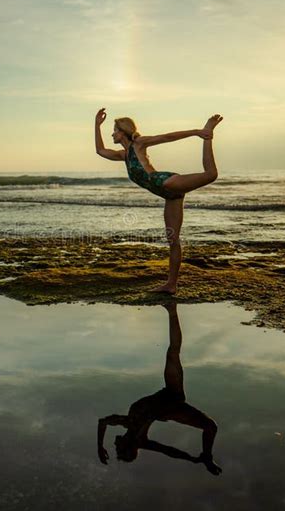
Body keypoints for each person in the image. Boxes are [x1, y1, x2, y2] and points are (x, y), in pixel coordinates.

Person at [94, 108, 223, 294]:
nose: (112, 133)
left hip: (165, 181)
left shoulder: (138, 143)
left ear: (123, 131)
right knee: (173, 239)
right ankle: (171, 285)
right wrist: (97, 125)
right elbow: (100, 150)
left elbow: (167, 137)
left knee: (211, 174)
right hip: (169, 196)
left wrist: (197, 132)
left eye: (114, 130)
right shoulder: (124, 156)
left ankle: (208, 135)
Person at [97, 302, 222, 476]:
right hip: (173, 406)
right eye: (130, 450)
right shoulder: (141, 440)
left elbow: (102, 422)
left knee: (173, 352)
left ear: (124, 444)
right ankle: (207, 457)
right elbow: (167, 451)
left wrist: (99, 447)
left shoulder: (126, 421)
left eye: (124, 448)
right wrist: (192, 459)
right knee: (211, 427)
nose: (127, 445)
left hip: (169, 392)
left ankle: (172, 309)